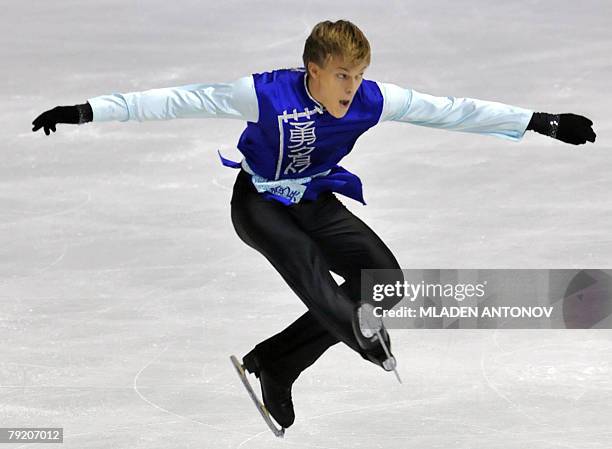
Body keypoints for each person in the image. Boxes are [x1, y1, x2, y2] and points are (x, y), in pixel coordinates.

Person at [32, 20, 596, 430]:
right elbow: (175, 100)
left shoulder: (373, 101)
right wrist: (84, 111)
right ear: (314, 71)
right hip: (258, 204)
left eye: (359, 75)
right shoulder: (263, 93)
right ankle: (360, 338)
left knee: (387, 282)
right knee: (314, 278)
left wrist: (540, 121)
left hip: (315, 199)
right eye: (342, 75)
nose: (351, 87)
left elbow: (452, 109)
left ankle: (275, 364)